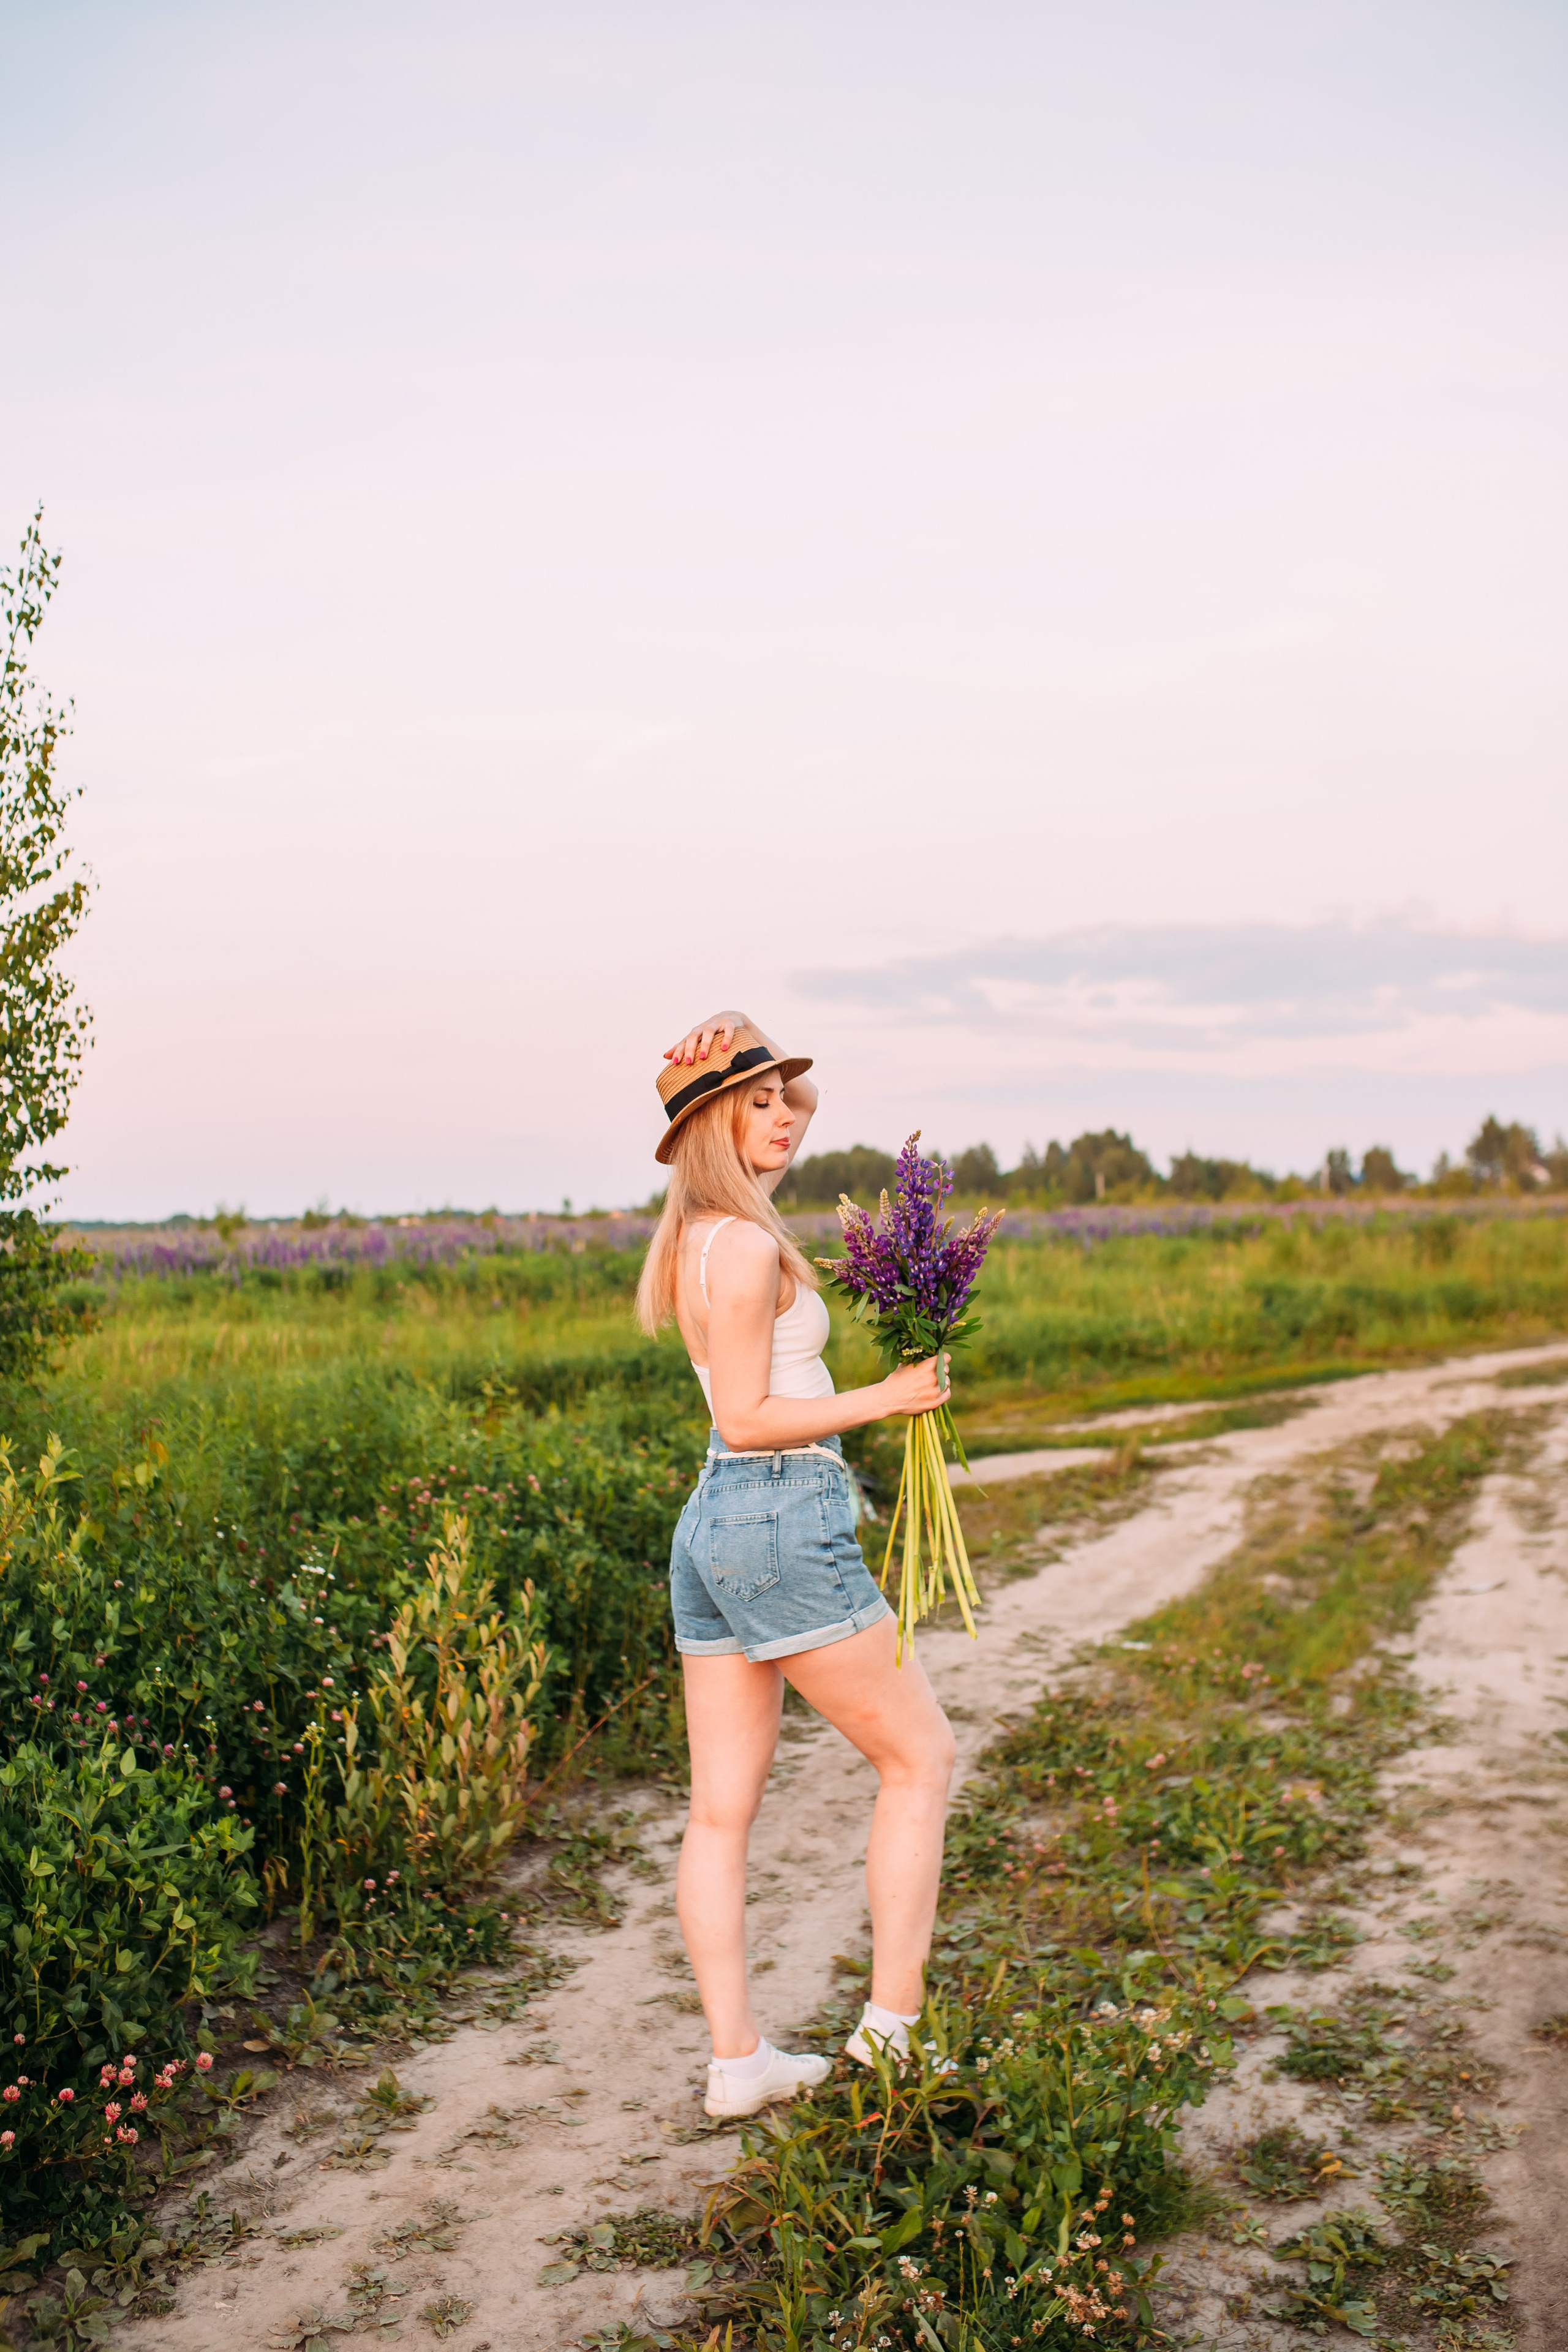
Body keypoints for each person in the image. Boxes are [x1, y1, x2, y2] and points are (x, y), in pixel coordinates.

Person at [636, 1010, 957, 2118]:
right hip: (775, 1505)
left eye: (784, 1099)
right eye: (757, 1102)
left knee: (720, 1813)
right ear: (715, 1124)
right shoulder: (752, 1247)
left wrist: (749, 1052)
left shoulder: (699, 1239)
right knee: (921, 1761)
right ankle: (894, 2034)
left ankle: (740, 2064)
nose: (783, 1117)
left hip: (713, 1530)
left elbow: (798, 1103)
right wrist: (887, 1396)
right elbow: (748, 1415)